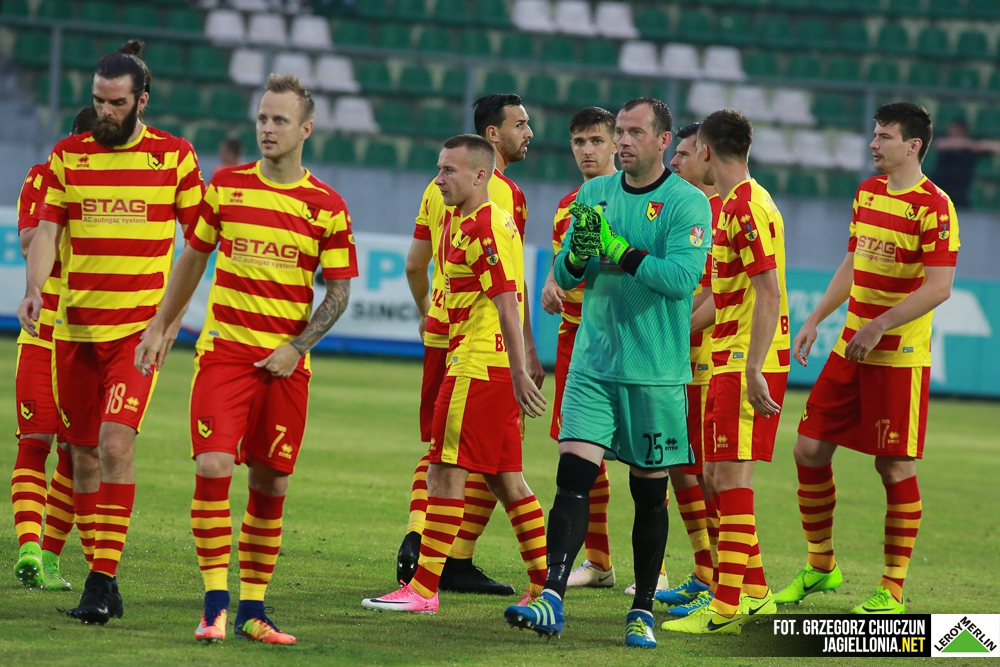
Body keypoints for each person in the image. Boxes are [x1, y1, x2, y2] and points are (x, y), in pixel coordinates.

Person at [135, 74, 357, 644]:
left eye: (280, 119)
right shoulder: (226, 187)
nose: (267, 128)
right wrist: (161, 324)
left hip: (285, 367)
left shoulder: (327, 206)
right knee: (212, 467)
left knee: (271, 485)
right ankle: (214, 605)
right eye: (262, 118)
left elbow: (338, 293)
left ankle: (253, 611)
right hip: (225, 355)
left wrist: (296, 348)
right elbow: (192, 259)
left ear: (305, 129)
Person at [505, 98, 712, 648]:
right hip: (594, 363)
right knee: (573, 477)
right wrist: (574, 258)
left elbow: (680, 279)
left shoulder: (688, 202)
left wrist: (617, 249)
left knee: (649, 494)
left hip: (655, 372)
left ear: (663, 140)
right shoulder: (594, 194)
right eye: (619, 131)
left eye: (634, 132)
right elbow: (567, 271)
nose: (622, 141)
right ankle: (551, 596)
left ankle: (641, 610)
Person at [17, 40, 204, 625]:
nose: (104, 111)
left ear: (141, 101)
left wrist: (168, 322)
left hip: (135, 335)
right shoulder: (68, 156)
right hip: (73, 334)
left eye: (116, 102)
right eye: (98, 100)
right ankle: (105, 576)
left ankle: (98, 583)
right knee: (82, 456)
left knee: (114, 445)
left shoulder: (174, 157)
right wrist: (34, 287)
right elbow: (47, 231)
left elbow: (198, 243)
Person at [775, 103, 959, 615]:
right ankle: (821, 565)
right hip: (850, 346)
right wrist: (815, 317)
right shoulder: (867, 192)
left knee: (893, 465)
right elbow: (854, 261)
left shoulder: (935, 206)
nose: (874, 144)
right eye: (874, 135)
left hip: (898, 356)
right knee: (809, 450)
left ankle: (892, 589)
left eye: (884, 137)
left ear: (913, 146)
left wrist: (880, 324)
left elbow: (940, 287)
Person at [362, 134, 548, 614]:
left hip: (477, 368)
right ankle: (544, 586)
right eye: (438, 168)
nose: (439, 179)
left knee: (444, 472)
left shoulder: (483, 226)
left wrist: (520, 369)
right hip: (488, 367)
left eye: (449, 171)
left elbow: (508, 304)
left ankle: (423, 589)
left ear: (480, 175)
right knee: (508, 481)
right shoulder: (478, 220)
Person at [663, 109, 789, 636]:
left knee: (732, 479)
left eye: (693, 150)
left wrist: (755, 367)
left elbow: (769, 293)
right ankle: (755, 593)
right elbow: (727, 294)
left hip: (744, 360)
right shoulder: (740, 203)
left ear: (708, 151)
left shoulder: (744, 208)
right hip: (728, 356)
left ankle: (726, 604)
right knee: (716, 476)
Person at [11, 106, 97, 592]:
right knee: (35, 440)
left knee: (74, 450)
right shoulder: (43, 177)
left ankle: (49, 557)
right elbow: (29, 241)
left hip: (87, 338)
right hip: (43, 334)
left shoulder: (116, 191)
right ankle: (27, 547)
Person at [539, 106, 620, 591]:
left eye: (596, 141)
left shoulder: (635, 199)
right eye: (578, 142)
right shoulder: (568, 204)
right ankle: (599, 562)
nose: (586, 150)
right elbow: (563, 263)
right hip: (576, 341)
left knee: (649, 459)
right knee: (582, 453)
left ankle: (664, 570)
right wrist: (552, 282)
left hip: (625, 341)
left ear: (616, 145)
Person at [655, 122, 725, 618]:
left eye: (682, 154)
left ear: (705, 156)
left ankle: (723, 579)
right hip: (679, 361)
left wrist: (671, 331)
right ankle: (705, 571)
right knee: (680, 467)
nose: (674, 162)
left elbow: (719, 296)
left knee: (710, 474)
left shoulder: (725, 212)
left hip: (710, 361)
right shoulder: (680, 209)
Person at [929, 119, 1000, 208]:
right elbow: (940, 144)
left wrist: (974, 145)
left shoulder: (971, 148)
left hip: (960, 192)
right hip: (939, 190)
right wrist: (968, 144)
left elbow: (995, 147)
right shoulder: (944, 141)